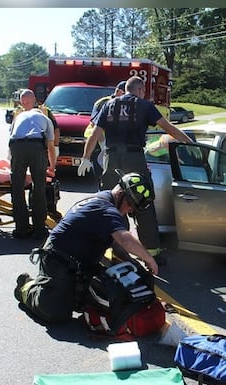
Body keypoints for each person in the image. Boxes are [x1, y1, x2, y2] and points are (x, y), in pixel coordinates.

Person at [13, 172, 159, 324]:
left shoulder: (110, 206)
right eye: (130, 204)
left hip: (82, 264)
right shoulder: (104, 208)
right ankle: (27, 287)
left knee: (105, 296)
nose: (130, 210)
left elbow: (118, 246)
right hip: (58, 259)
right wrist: (149, 259)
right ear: (121, 193)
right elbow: (124, 238)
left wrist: (133, 265)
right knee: (55, 313)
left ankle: (70, 292)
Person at [78, 76, 193, 263]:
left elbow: (95, 134)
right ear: (140, 90)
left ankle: (117, 251)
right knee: (143, 201)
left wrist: (85, 158)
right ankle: (152, 252)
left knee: (111, 204)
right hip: (134, 159)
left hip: (111, 159)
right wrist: (187, 141)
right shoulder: (144, 105)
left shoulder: (109, 105)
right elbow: (168, 128)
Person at [8, 91, 57, 239]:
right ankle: (39, 228)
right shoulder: (44, 118)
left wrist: (11, 161)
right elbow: (50, 146)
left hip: (17, 146)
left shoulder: (18, 117)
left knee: (17, 188)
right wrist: (52, 166)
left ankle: (21, 228)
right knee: (39, 188)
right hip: (36, 147)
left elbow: (11, 140)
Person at [84, 80, 127, 170]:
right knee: (103, 174)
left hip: (115, 145)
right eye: (125, 93)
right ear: (118, 91)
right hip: (98, 143)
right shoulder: (104, 103)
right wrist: (103, 145)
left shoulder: (125, 103)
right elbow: (96, 126)